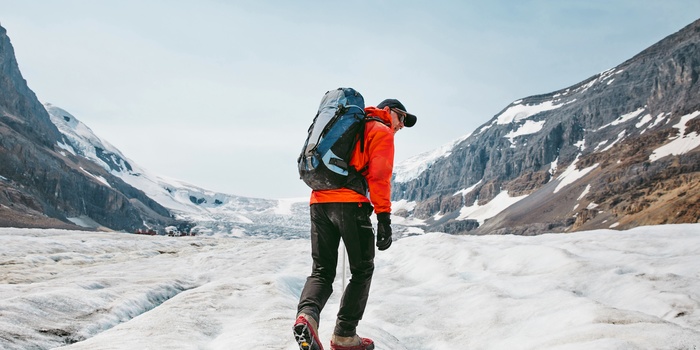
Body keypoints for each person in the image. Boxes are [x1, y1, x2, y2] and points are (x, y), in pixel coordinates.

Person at [293, 98, 417, 350]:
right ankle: (344, 336)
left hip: (318, 202)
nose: (402, 125)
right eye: (402, 118)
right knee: (362, 269)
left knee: (321, 271)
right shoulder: (380, 131)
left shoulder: (348, 128)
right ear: (389, 112)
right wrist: (384, 218)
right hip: (351, 205)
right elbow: (379, 178)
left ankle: (306, 318)